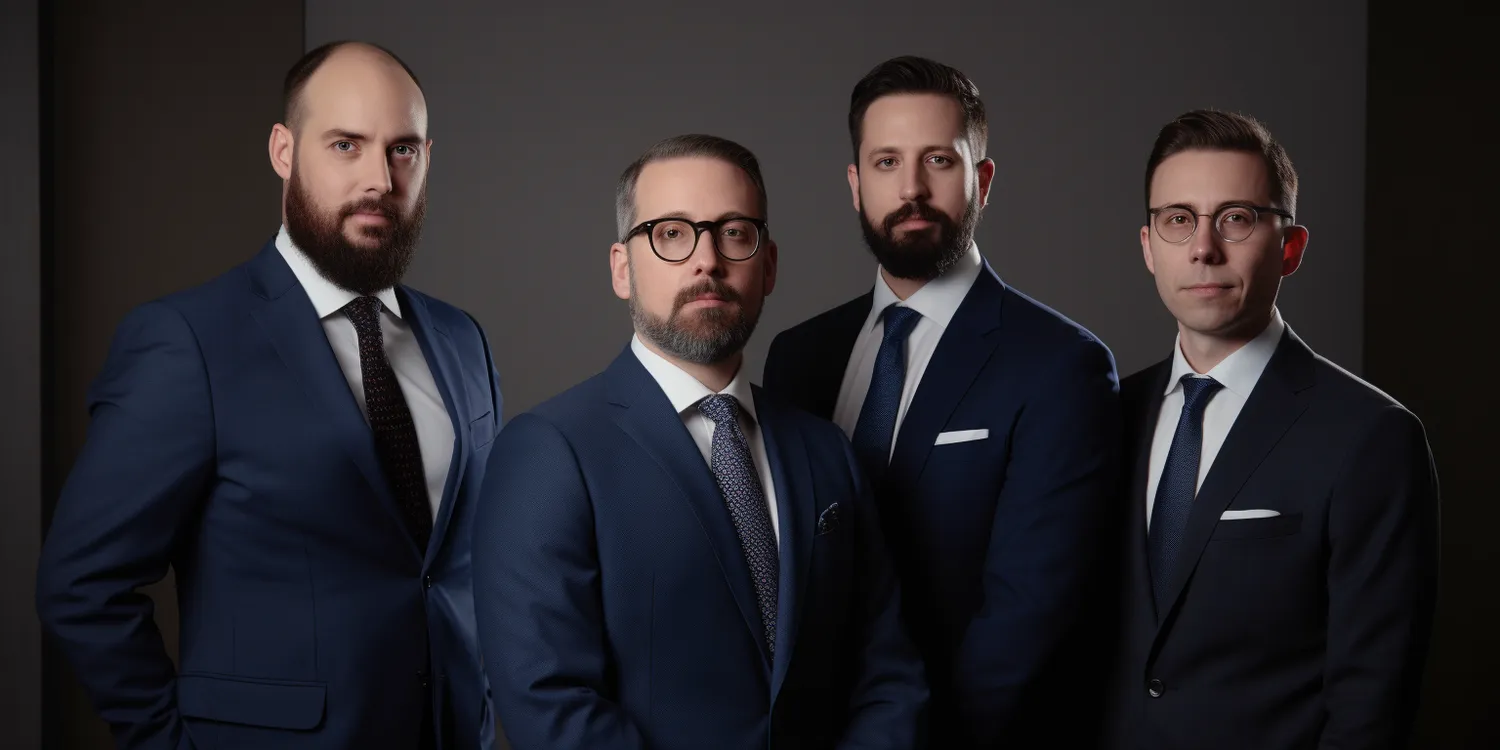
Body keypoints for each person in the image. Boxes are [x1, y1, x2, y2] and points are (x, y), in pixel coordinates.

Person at [35, 41, 502, 750]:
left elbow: (464, 565)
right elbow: (81, 584)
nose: (379, 179)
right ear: (284, 151)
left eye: (402, 150)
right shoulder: (188, 342)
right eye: (346, 145)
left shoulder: (462, 340)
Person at [473, 134, 927, 750]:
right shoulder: (549, 452)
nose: (707, 260)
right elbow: (548, 700)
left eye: (734, 233)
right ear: (622, 269)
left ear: (769, 266)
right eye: (671, 233)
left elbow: (888, 672)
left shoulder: (825, 451)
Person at [763, 56, 1122, 746]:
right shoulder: (799, 358)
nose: (912, 189)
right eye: (887, 162)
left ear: (981, 180)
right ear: (855, 184)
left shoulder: (1060, 365)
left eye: (938, 160)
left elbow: (1030, 612)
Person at [1100, 109, 1440, 749]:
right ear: (1148, 246)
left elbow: (1371, 704)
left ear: (1291, 248)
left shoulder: (1371, 438)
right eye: (1178, 219)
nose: (1203, 248)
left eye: (1236, 218)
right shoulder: (1106, 417)